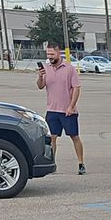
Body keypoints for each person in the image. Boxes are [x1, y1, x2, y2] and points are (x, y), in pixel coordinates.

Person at [36, 42, 85, 174]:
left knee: (74, 136)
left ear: (58, 53)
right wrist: (40, 76)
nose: (50, 56)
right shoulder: (46, 68)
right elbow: (40, 86)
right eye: (48, 54)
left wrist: (71, 106)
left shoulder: (69, 69)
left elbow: (76, 88)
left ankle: (81, 164)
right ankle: (52, 163)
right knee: (52, 137)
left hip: (68, 111)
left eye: (52, 54)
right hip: (52, 110)